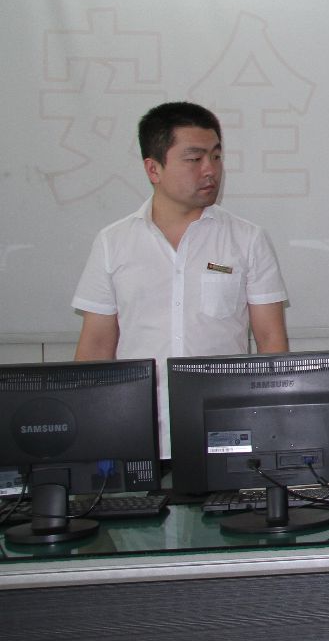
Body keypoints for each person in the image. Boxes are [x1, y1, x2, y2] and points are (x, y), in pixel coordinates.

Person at [72, 101, 289, 457]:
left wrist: (273, 427)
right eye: (194, 158)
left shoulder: (247, 239)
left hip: (225, 432)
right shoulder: (113, 242)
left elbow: (271, 341)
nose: (211, 170)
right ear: (153, 169)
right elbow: (96, 347)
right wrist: (89, 436)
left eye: (216, 156)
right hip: (135, 432)